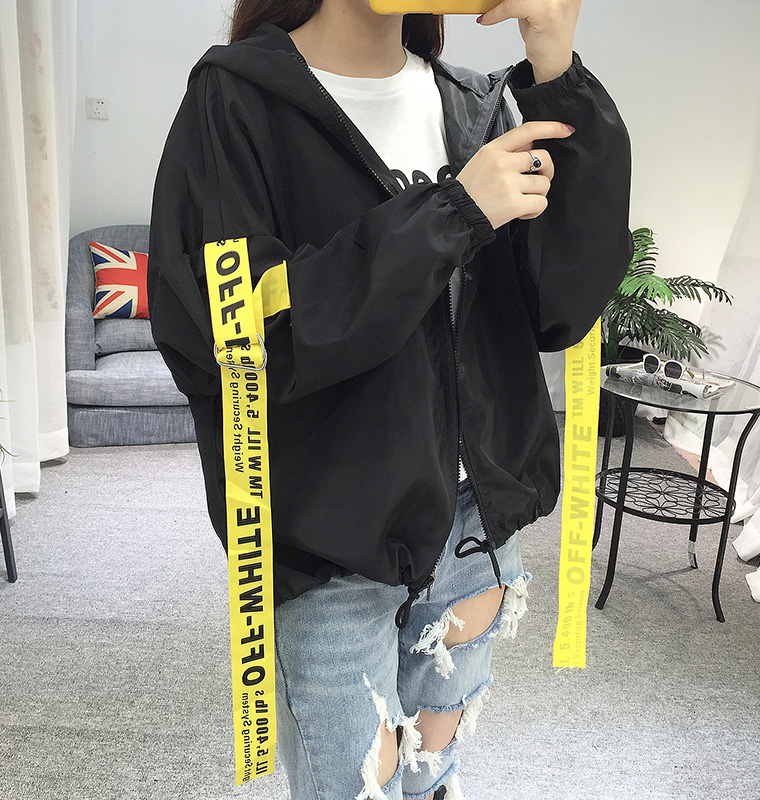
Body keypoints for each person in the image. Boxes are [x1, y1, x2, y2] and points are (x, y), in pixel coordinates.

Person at [147, 0, 632, 797]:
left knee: (431, 776)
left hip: (473, 527)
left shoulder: (476, 105)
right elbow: (233, 339)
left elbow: (561, 309)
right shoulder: (235, 101)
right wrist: (451, 213)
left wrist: (555, 65)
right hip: (334, 541)